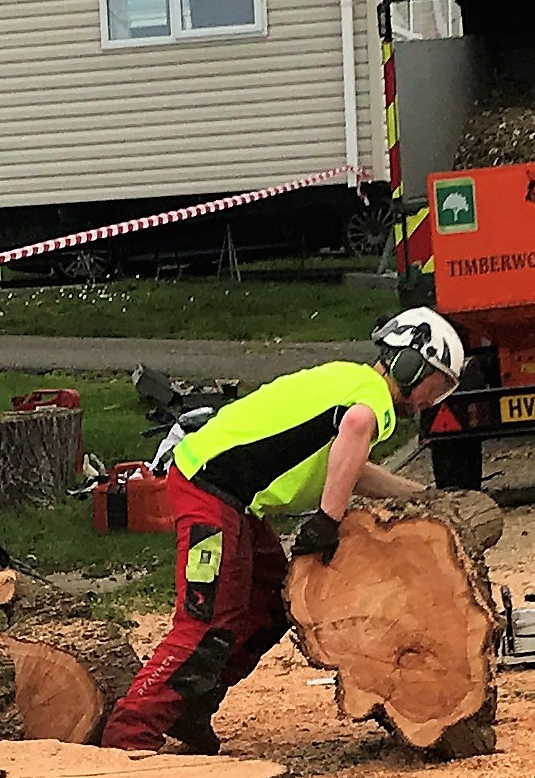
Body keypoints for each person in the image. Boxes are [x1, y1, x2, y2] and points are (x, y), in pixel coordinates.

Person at [102, 310, 468, 754]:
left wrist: (425, 497)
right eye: (439, 382)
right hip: (210, 488)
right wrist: (328, 520)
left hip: (236, 498)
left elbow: (352, 465)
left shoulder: (350, 384)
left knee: (274, 603)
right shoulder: (371, 399)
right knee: (207, 621)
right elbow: (355, 428)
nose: (438, 396)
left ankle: (189, 709)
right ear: (412, 364)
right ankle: (129, 733)